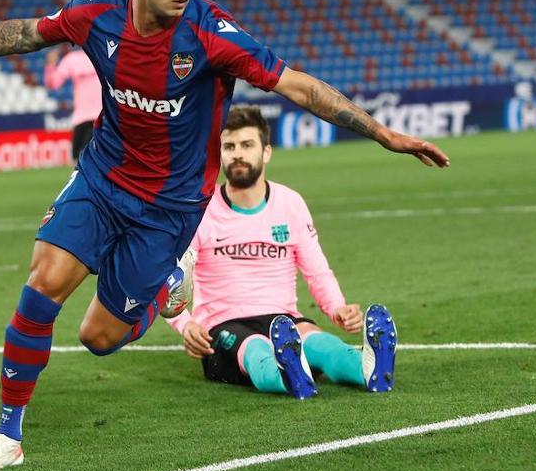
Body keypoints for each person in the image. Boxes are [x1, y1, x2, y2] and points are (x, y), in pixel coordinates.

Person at [0, 0, 450, 471]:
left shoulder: (210, 33)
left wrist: (382, 133)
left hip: (168, 210)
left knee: (98, 339)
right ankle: (8, 434)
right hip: (102, 177)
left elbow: (299, 85)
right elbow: (23, 34)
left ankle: (165, 290)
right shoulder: (97, 12)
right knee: (42, 285)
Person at [166, 105, 397, 399]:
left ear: (266, 152)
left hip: (283, 321)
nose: (237, 153)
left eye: (247, 145)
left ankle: (368, 369)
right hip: (222, 325)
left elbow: (316, 269)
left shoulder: (290, 203)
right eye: (229, 146)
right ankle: (288, 376)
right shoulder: (200, 210)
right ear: (219, 153)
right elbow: (170, 280)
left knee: (319, 343)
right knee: (256, 349)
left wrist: (337, 307)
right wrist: (186, 325)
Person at [43, 44, 100, 161]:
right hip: (81, 117)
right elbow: (53, 84)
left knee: (88, 158)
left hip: (100, 117)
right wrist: (50, 65)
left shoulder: (100, 52)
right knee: (77, 158)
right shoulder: (71, 59)